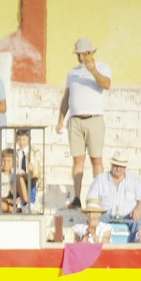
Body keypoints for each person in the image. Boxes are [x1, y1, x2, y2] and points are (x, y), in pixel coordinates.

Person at [56, 37, 111, 208]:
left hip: (94, 119)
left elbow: (106, 84)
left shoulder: (102, 67)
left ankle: (100, 196)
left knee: (96, 159)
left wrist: (93, 70)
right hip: (76, 120)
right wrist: (60, 120)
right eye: (79, 54)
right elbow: (67, 96)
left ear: (92, 53)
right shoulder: (72, 73)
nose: (81, 58)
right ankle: (77, 197)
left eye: (85, 53)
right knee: (77, 160)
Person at [85, 152, 141, 241]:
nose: (118, 168)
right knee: (94, 219)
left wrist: (138, 209)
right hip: (105, 215)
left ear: (125, 167)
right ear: (111, 165)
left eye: (121, 166)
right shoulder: (100, 178)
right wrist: (95, 213)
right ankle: (97, 245)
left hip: (128, 215)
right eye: (115, 165)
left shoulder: (134, 179)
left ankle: (136, 246)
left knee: (139, 220)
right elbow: (91, 198)